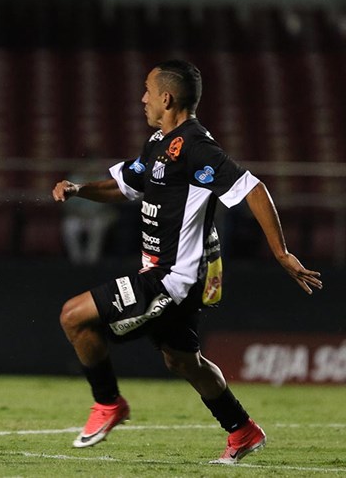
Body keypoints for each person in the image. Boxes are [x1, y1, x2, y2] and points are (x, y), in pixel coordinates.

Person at [52, 60, 322, 464]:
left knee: (74, 316)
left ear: (167, 97)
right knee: (182, 359)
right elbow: (126, 186)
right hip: (164, 272)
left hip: (174, 278)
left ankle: (108, 403)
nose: (142, 98)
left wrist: (281, 253)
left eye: (147, 90)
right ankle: (242, 430)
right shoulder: (159, 142)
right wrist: (79, 190)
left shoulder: (195, 145)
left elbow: (253, 189)